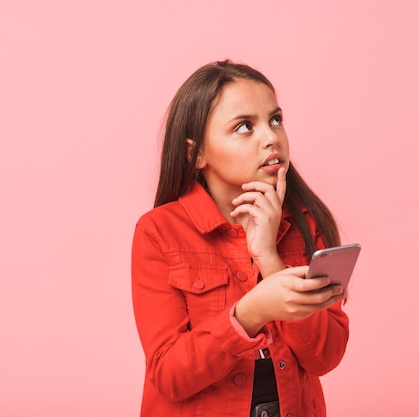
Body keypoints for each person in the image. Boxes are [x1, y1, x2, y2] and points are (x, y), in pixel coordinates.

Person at [131, 60, 349, 417]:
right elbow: (169, 375)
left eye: (275, 119)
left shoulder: (310, 225)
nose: (271, 137)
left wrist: (268, 258)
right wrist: (250, 313)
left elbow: (327, 355)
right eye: (245, 126)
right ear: (195, 153)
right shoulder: (158, 232)